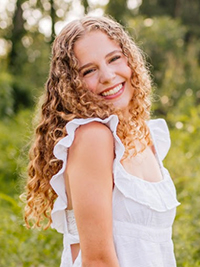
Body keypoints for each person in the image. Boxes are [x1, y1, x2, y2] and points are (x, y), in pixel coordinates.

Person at [24, 15, 180, 267]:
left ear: (130, 60)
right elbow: (97, 260)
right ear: (72, 85)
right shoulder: (93, 138)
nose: (107, 76)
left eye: (114, 58)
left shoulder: (146, 136)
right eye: (89, 70)